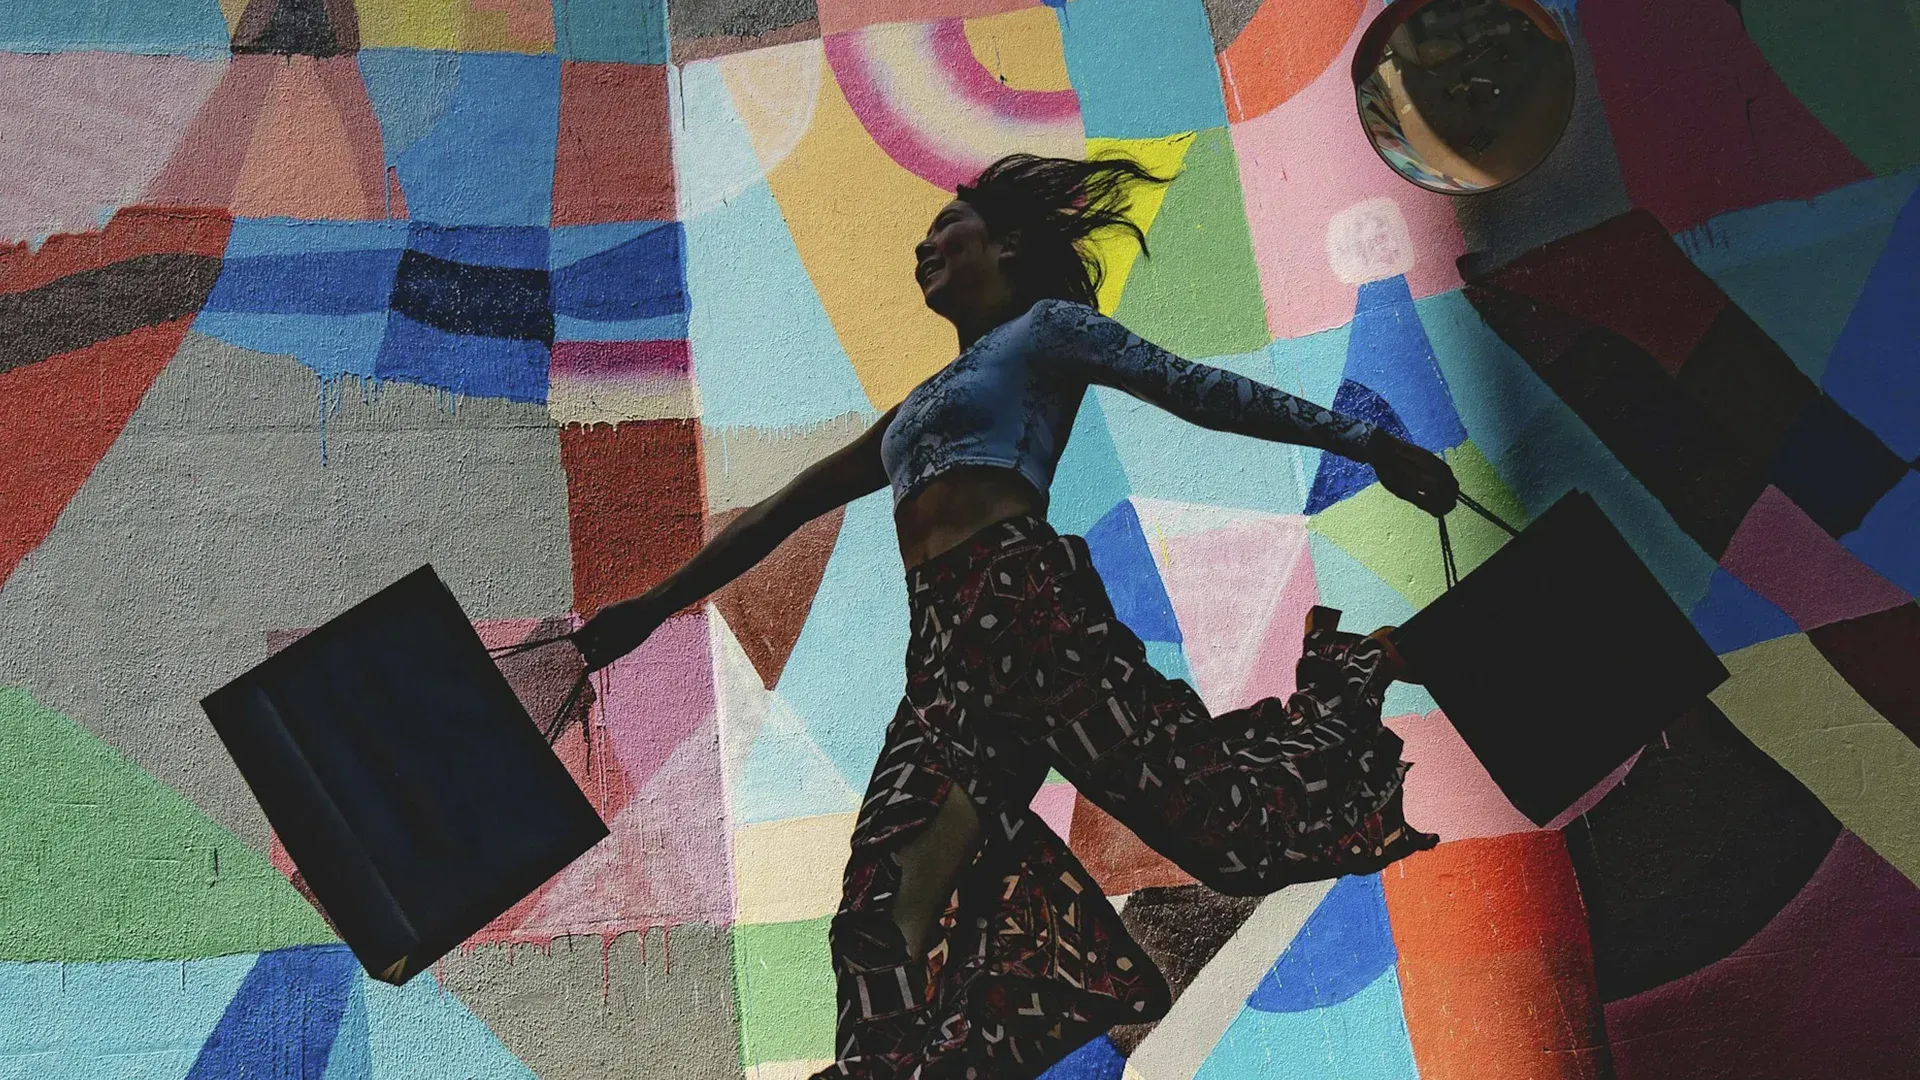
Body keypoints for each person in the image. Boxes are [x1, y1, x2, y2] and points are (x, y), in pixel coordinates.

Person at [568, 154, 1455, 1079]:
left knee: (1224, 836)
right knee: (879, 908)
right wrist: (652, 608)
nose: (924, 246)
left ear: (1011, 244)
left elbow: (1197, 390)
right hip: (943, 651)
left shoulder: (1045, 332)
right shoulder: (910, 415)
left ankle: (1358, 669)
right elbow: (780, 511)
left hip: (1027, 609)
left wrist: (1367, 442)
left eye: (944, 226)